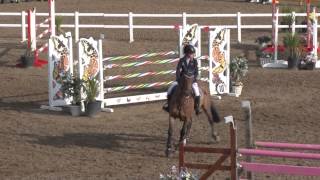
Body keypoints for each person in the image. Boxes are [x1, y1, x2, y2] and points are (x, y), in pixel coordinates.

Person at [163, 44, 201, 115]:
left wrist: (193, 79)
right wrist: (178, 79)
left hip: (192, 81)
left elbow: (196, 72)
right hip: (182, 80)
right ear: (186, 53)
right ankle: (168, 106)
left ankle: (197, 107)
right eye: (191, 54)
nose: (192, 55)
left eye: (193, 54)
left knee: (197, 91)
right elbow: (178, 70)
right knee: (170, 90)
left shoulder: (195, 61)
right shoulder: (182, 60)